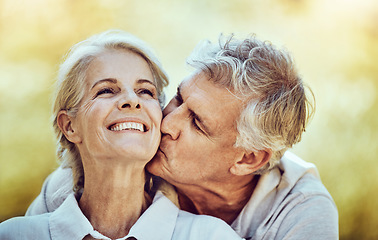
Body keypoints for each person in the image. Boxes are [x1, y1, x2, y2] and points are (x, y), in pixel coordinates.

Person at [25, 34, 338, 239]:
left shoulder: (301, 214)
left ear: (247, 158)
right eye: (177, 98)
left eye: (197, 123)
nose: (167, 122)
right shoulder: (72, 187)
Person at [0, 30, 243, 240]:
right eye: (106, 90)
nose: (131, 100)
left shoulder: (211, 236)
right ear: (70, 126)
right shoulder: (14, 235)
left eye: (145, 91)